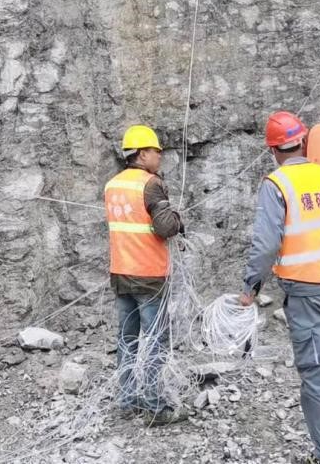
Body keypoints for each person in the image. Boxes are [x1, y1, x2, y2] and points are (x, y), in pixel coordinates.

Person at [241, 111, 320, 464]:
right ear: (304, 141)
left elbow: (266, 244)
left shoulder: (276, 184)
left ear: (273, 149)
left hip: (307, 291)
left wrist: (251, 286)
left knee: (315, 371)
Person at [105, 124, 187, 425]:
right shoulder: (150, 184)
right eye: (156, 151)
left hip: (121, 274)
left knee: (127, 340)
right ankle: (155, 407)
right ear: (141, 154)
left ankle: (127, 402)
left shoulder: (112, 185)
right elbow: (165, 227)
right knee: (155, 341)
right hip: (149, 276)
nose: (160, 156)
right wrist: (177, 219)